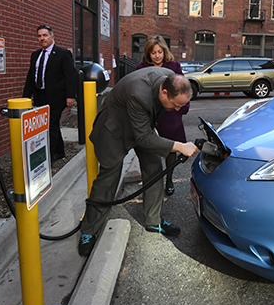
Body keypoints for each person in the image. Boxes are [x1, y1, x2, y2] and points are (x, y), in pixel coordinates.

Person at [78, 67, 199, 256]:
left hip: (142, 125)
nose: (176, 110)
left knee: (154, 168)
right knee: (109, 178)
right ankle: (88, 231)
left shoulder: (168, 79)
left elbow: (145, 132)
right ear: (164, 92)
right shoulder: (138, 94)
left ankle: (154, 221)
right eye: (175, 105)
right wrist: (180, 146)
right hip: (114, 128)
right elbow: (144, 138)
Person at [136, 35, 189, 195]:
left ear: (164, 51)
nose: (157, 56)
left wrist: (181, 108)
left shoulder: (174, 66)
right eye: (153, 53)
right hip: (151, 114)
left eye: (159, 52)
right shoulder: (141, 68)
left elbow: (183, 88)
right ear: (148, 54)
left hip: (170, 115)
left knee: (171, 149)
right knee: (151, 148)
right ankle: (153, 183)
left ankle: (169, 179)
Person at [22, 25, 77, 160]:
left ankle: (49, 156)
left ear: (52, 37)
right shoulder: (35, 55)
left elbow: (70, 76)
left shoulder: (63, 54)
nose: (42, 38)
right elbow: (31, 77)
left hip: (57, 97)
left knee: (50, 124)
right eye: (39, 36)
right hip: (40, 96)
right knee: (51, 124)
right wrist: (25, 98)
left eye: (45, 35)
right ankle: (59, 151)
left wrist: (71, 96)